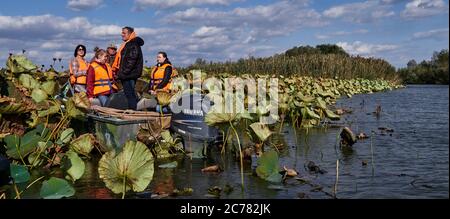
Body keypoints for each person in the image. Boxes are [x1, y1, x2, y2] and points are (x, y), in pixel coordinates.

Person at [112, 26, 144, 110]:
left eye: (124, 33)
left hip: (129, 75)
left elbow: (131, 61)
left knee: (130, 95)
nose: (122, 34)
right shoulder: (129, 44)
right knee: (130, 94)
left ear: (130, 34)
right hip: (128, 74)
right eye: (122, 32)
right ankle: (132, 110)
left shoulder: (132, 44)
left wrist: (122, 73)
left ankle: (132, 112)